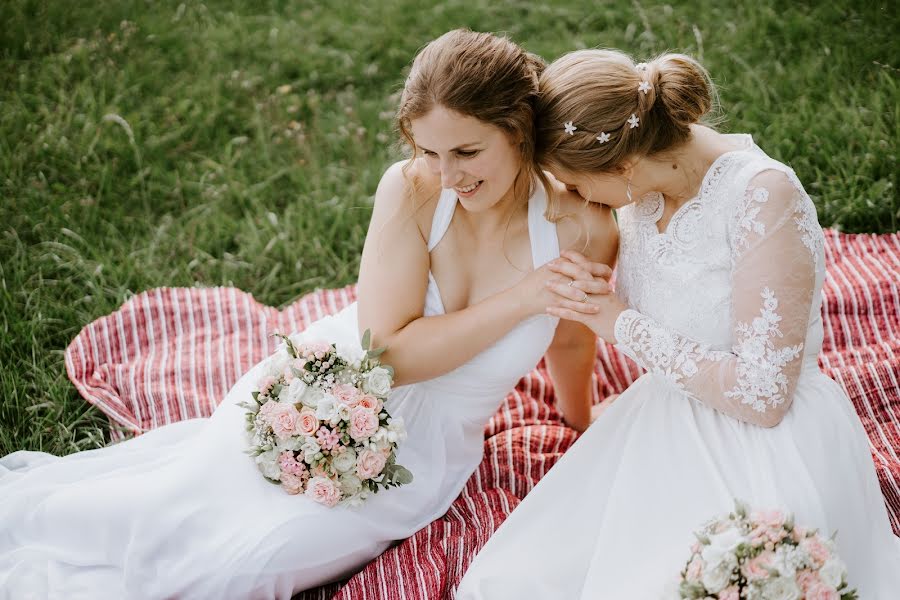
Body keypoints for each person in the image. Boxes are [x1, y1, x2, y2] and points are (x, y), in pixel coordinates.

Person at [0, 30, 617, 599]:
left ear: (519, 131)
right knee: (160, 513)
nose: (449, 174)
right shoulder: (412, 188)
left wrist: (577, 424)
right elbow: (387, 355)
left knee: (249, 564)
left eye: (467, 150)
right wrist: (524, 297)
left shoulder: (583, 228)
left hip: (420, 455)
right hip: (324, 389)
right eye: (429, 150)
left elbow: (569, 339)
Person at [456, 49, 900, 598]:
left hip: (764, 441)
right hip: (660, 419)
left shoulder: (763, 196)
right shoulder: (641, 190)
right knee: (510, 582)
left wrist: (621, 324)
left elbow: (765, 396)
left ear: (620, 165)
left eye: (574, 184)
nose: (572, 200)